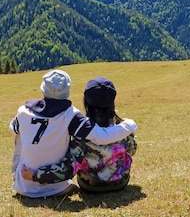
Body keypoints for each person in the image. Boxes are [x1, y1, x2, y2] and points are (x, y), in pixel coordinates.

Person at [10, 70, 137, 198]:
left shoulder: (24, 111)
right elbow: (130, 148)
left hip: (89, 185)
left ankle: (19, 176)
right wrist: (129, 125)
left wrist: (35, 174)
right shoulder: (120, 127)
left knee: (20, 135)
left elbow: (69, 168)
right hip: (120, 183)